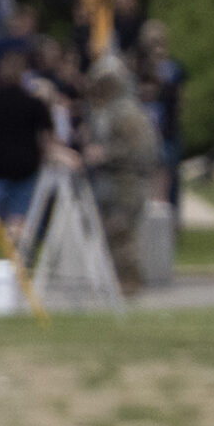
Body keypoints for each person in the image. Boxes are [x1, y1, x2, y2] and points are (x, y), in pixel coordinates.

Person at [81, 55, 161, 295]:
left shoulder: (126, 112)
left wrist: (105, 153)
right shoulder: (106, 111)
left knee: (122, 230)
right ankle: (120, 279)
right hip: (112, 181)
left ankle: (129, 282)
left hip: (127, 181)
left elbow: (141, 149)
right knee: (113, 232)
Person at [0, 49, 62, 240]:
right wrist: (42, 155)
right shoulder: (33, 103)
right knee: (18, 219)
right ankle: (16, 256)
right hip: (25, 167)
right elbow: (47, 136)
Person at [138, 22, 187, 209]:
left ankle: (171, 222)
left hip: (167, 131)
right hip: (145, 131)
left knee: (170, 178)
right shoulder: (138, 68)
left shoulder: (174, 68)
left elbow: (179, 99)